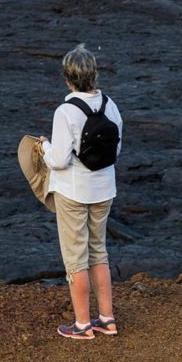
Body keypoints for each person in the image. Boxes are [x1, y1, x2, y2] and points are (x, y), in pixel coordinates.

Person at [39, 43, 122, 340]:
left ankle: (83, 325)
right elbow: (117, 147)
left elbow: (59, 160)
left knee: (76, 259)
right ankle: (107, 319)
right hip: (104, 189)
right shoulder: (111, 105)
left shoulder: (65, 111)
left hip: (73, 193)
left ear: (68, 78)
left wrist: (44, 147)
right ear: (94, 75)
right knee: (99, 252)